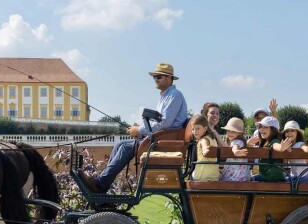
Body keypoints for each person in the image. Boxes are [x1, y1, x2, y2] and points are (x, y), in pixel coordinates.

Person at [80, 63, 187, 193]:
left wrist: (139, 130)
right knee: (120, 144)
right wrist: (139, 128)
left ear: (169, 78)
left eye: (159, 77)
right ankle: (101, 183)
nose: (155, 79)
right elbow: (159, 121)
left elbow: (165, 123)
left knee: (125, 147)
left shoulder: (174, 95)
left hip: (165, 141)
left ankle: (101, 184)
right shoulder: (166, 96)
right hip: (161, 137)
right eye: (154, 77)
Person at [250, 116, 290, 182]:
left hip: (271, 176)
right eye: (260, 126)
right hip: (271, 175)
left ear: (273, 130)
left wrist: (281, 147)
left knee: (249, 180)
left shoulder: (274, 140)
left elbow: (275, 145)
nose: (261, 129)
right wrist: (248, 144)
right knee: (251, 179)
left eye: (266, 127)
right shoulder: (265, 141)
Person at [219, 117, 250, 181]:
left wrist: (236, 152)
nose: (230, 133)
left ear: (239, 133)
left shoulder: (236, 141)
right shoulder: (242, 142)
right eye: (228, 131)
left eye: (233, 131)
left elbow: (235, 146)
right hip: (243, 176)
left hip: (232, 176)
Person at [190, 115, 219, 181]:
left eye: (197, 128)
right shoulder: (213, 138)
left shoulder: (203, 139)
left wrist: (205, 149)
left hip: (202, 175)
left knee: (191, 175)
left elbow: (204, 145)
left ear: (205, 128)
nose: (194, 131)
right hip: (213, 175)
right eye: (193, 129)